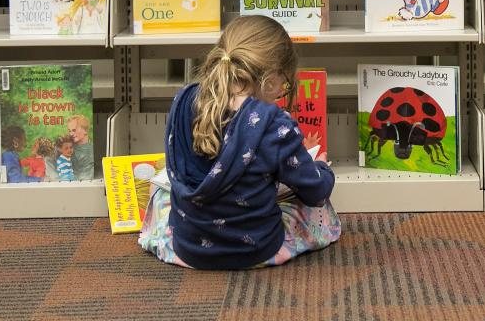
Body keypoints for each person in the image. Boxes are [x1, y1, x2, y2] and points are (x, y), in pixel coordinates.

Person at [139, 15, 339, 269]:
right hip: (255, 249)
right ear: (272, 78)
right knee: (316, 209)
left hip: (188, 248)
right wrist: (321, 168)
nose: (281, 92)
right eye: (285, 85)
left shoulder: (184, 100)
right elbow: (316, 191)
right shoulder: (274, 124)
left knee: (160, 194)